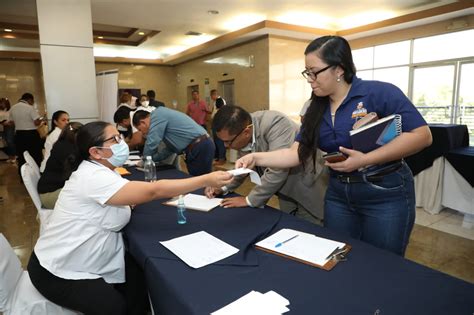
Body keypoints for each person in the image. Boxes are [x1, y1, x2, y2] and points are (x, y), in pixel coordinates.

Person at [236, 35, 432, 256]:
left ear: (339, 69)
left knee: (382, 262)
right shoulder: (315, 108)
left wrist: (366, 159)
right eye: (306, 72)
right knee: (337, 256)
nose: (309, 78)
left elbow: (422, 135)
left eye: (314, 71)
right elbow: (296, 154)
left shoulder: (379, 93)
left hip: (384, 191)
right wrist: (257, 158)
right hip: (339, 194)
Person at [27, 121, 233, 315]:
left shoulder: (103, 171)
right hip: (57, 270)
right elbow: (154, 191)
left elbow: (126, 199)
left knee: (137, 279)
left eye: (120, 137)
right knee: (115, 307)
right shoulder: (92, 177)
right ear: (95, 152)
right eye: (114, 140)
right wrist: (206, 179)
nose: (122, 143)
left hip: (84, 255)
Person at [206, 105, 327, 223]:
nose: (226, 146)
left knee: (307, 229)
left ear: (246, 132)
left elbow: (277, 169)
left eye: (228, 142)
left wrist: (249, 200)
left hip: (308, 183)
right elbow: (243, 168)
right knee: (289, 224)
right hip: (284, 189)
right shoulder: (241, 130)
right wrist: (223, 187)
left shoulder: (276, 123)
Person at [133, 108, 214, 176]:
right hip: (197, 147)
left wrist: (145, 160)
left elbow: (152, 142)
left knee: (201, 181)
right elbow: (169, 150)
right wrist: (152, 159)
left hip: (200, 145)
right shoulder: (162, 124)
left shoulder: (157, 115)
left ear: (143, 122)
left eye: (140, 129)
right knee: (197, 180)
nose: (142, 133)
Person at [37, 122, 82, 209]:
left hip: (48, 191)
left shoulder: (61, 144)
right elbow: (77, 170)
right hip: (50, 196)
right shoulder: (68, 149)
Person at [8, 93, 45, 175]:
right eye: (32, 101)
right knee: (35, 155)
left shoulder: (13, 108)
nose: (32, 103)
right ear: (30, 100)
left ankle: (23, 176)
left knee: (21, 157)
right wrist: (41, 120)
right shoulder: (30, 108)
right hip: (31, 135)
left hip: (19, 135)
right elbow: (36, 122)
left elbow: (11, 123)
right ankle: (36, 174)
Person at [209, 89, 227, 165]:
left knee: (219, 141)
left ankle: (221, 158)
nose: (211, 98)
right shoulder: (216, 101)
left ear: (214, 95)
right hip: (216, 122)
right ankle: (218, 157)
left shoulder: (219, 100)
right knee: (216, 141)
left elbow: (220, 111)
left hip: (219, 123)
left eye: (212, 96)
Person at [0, 98, 16, 163]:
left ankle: (13, 156)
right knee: (5, 143)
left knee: (10, 141)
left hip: (9, 127)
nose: (2, 104)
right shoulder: (0, 110)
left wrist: (9, 123)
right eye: (1, 103)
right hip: (1, 127)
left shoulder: (10, 110)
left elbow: (14, 119)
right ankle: (10, 156)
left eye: (3, 103)